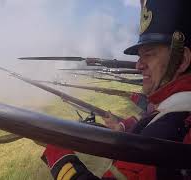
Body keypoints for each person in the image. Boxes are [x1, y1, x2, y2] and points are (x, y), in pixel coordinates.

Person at [41, 0, 191, 179]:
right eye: (139, 56)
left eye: (149, 54)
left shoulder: (169, 129)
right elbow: (150, 118)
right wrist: (123, 129)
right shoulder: (171, 110)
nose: (138, 65)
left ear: (181, 60)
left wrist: (57, 150)